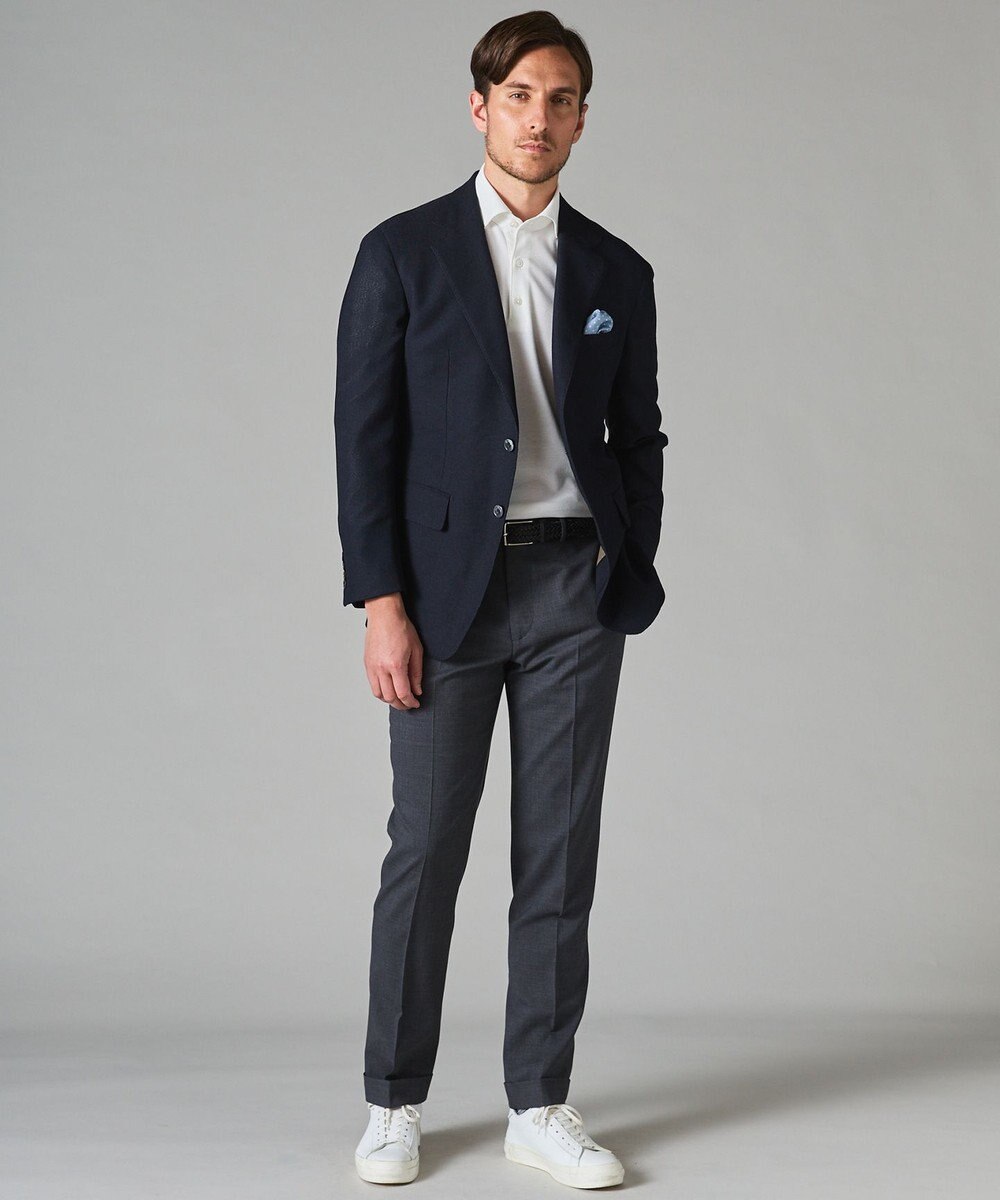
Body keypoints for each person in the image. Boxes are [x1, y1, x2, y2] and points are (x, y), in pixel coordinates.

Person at [335, 9, 668, 1188]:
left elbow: (639, 434)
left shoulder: (616, 270)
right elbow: (363, 440)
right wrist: (381, 602)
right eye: (519, 95)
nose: (539, 117)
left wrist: (629, 558)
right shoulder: (402, 253)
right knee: (426, 850)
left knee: (558, 858)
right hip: (444, 599)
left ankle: (539, 1101)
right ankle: (394, 1101)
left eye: (560, 98)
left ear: (581, 119)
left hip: (576, 590)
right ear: (480, 106)